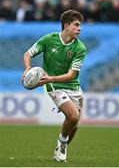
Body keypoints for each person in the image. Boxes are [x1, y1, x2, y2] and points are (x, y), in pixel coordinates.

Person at [22, 9, 86, 162]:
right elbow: (28, 54)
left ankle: (61, 144)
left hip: (72, 86)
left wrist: (51, 78)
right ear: (66, 25)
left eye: (80, 25)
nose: (79, 28)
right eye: (76, 25)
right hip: (53, 85)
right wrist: (27, 70)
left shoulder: (80, 48)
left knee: (74, 125)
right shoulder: (48, 40)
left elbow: (71, 75)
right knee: (73, 116)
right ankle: (62, 144)